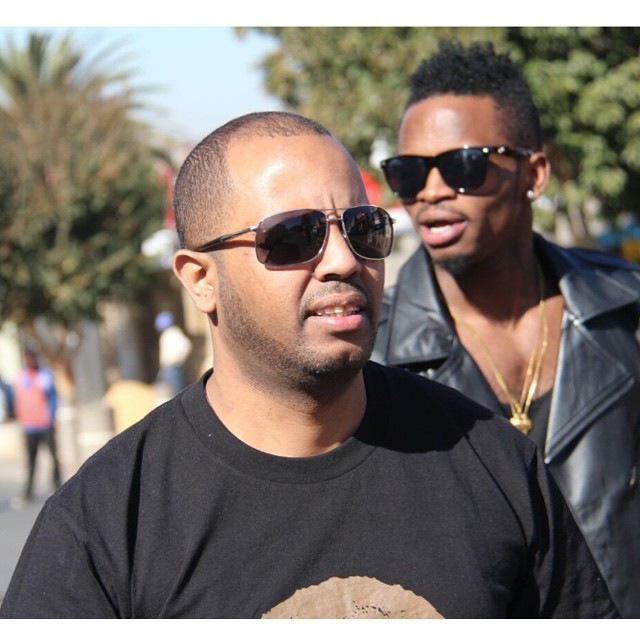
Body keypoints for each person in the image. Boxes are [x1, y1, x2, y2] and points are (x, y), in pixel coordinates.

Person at [0, 112, 616, 618]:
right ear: (200, 279)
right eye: (293, 237)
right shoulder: (107, 524)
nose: (344, 261)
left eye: (363, 228)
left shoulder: (493, 460)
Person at [373, 41, 640, 618]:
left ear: (533, 174)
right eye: (408, 172)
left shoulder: (628, 312)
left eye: (464, 164)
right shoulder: (370, 357)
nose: (431, 192)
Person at [11, 347, 62, 505]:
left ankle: (58, 486)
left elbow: (53, 397)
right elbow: (19, 400)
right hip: (29, 426)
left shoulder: (44, 375)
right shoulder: (22, 378)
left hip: (45, 424)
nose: (29, 361)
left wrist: (50, 416)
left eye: (31, 357)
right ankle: (29, 491)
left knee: (53, 456)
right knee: (31, 460)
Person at [154, 310, 192, 395]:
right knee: (169, 392)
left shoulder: (173, 333)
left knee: (178, 391)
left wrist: (178, 358)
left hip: (174, 367)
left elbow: (186, 346)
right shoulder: (166, 334)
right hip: (167, 367)